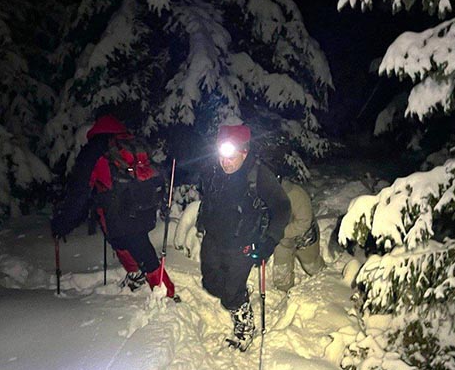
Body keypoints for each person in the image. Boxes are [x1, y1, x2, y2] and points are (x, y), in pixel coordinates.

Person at [51, 109, 179, 302]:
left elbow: (79, 193)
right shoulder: (129, 141)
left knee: (137, 248)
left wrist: (64, 223)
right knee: (133, 244)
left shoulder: (94, 149)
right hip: (143, 206)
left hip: (119, 211)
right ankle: (139, 277)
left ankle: (167, 294)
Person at [197, 124, 291, 351]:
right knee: (210, 283)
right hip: (213, 239)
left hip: (243, 244)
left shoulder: (258, 175)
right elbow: (208, 198)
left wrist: (269, 241)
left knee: (230, 293)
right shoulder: (214, 171)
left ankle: (245, 326)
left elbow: (282, 207)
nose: (225, 163)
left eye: (231, 157)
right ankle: (238, 295)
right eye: (222, 157)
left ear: (245, 152)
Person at [272, 177, 325, 292]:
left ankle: (325, 285)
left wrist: (278, 232)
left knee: (311, 266)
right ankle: (285, 295)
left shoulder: (295, 194)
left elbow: (304, 222)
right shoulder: (264, 194)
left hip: (304, 236)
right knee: (281, 272)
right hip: (282, 240)